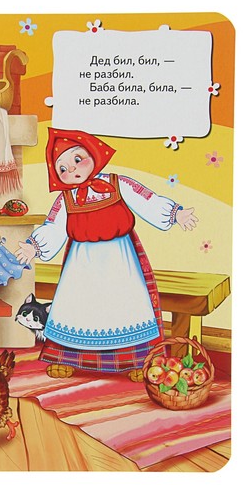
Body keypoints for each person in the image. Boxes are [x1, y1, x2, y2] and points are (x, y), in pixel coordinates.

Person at [15, 128, 198, 380]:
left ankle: (137, 362)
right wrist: (34, 246)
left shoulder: (117, 183)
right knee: (76, 308)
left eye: (77, 159)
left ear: (93, 153)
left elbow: (147, 200)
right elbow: (54, 227)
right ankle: (67, 359)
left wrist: (175, 214)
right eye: (63, 169)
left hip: (121, 259)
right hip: (82, 263)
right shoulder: (66, 199)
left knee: (127, 305)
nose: (73, 169)